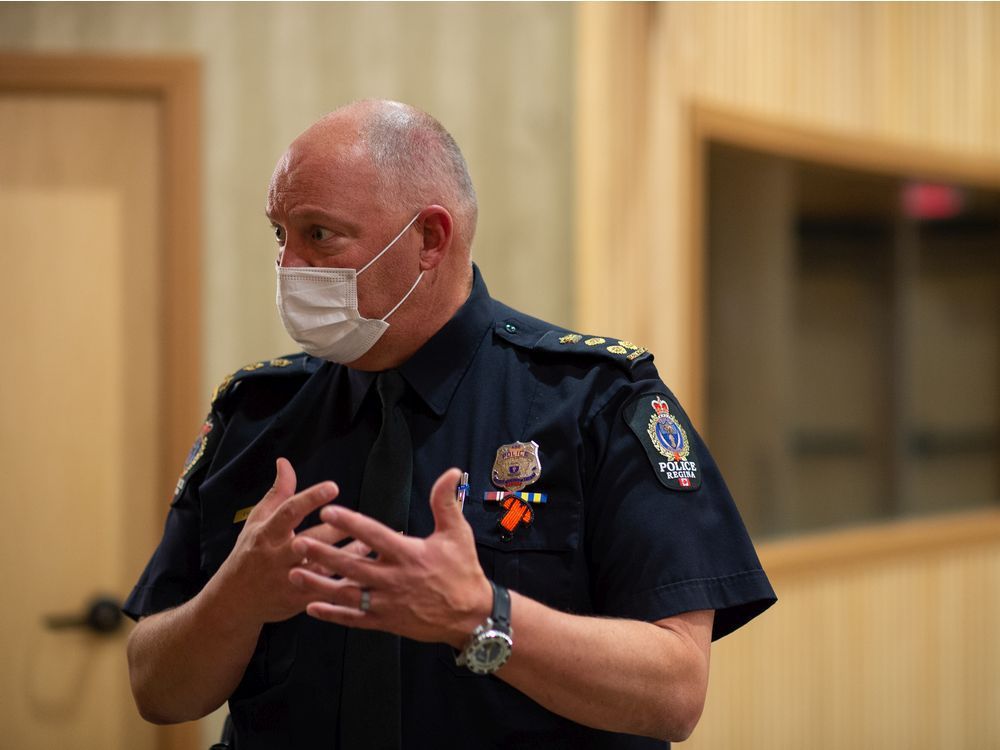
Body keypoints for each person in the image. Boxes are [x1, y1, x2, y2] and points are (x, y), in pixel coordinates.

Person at [124, 100, 776, 749]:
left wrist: (480, 616)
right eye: (279, 235)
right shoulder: (255, 414)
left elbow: (675, 694)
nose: (288, 266)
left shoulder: (592, 402)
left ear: (430, 240)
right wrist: (237, 595)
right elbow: (157, 688)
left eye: (318, 234)